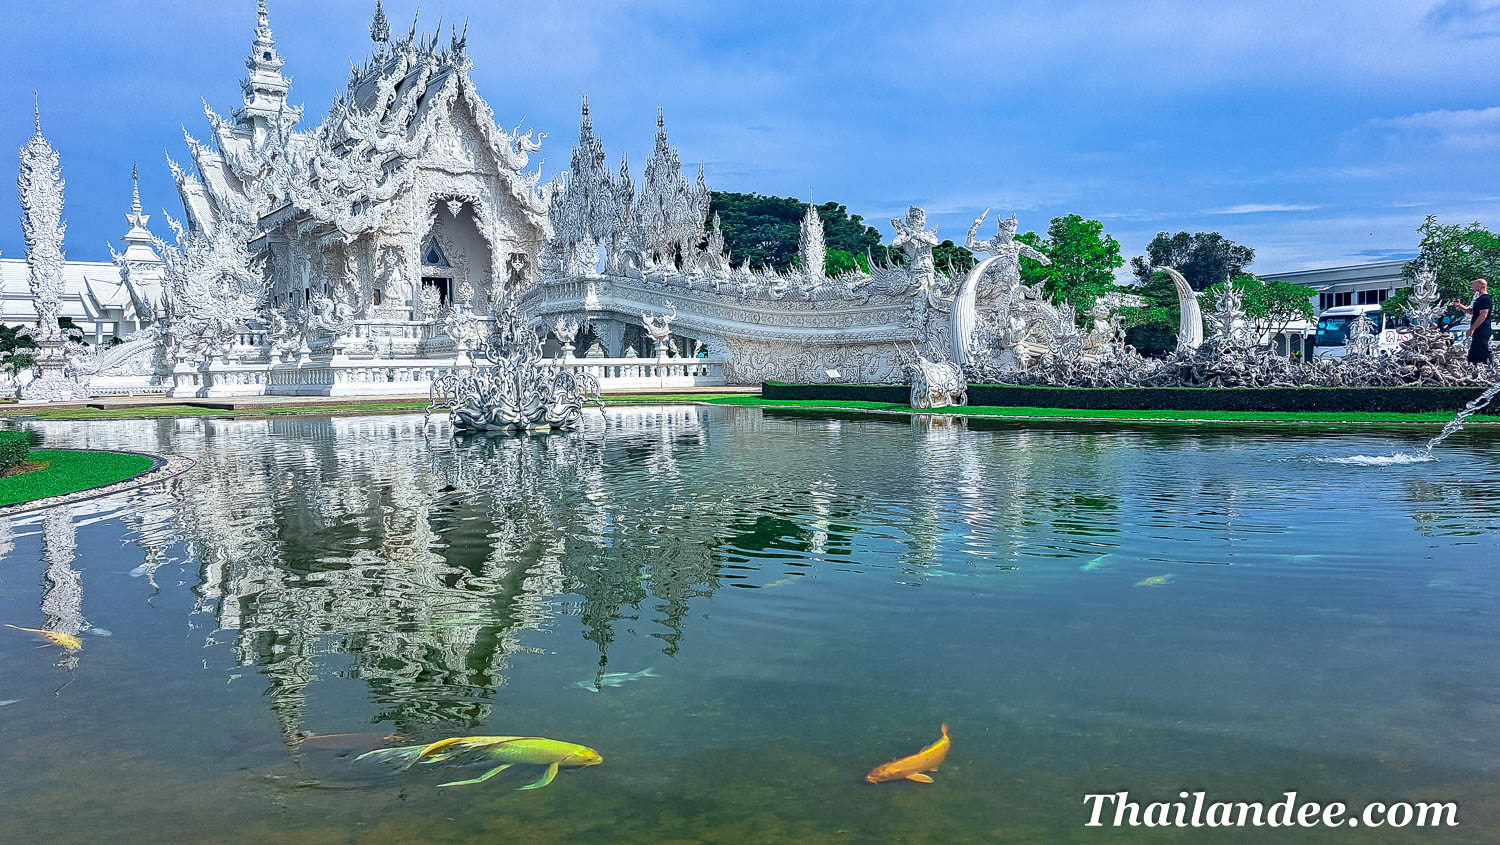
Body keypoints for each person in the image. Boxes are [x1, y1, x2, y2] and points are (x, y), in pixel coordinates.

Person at [1451, 278, 1493, 365]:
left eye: (1473, 285)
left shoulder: (1485, 299)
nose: (1471, 287)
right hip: (1478, 331)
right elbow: (1471, 311)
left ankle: (1490, 369)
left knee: (1482, 352)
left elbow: (1483, 315)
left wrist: (1472, 329)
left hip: (1482, 330)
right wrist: (1459, 305)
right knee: (1474, 355)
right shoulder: (1480, 299)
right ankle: (1475, 370)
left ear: (1480, 286)